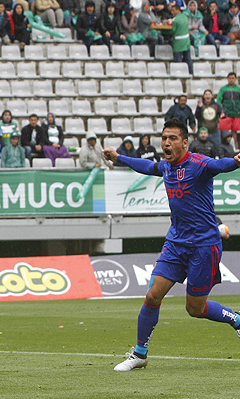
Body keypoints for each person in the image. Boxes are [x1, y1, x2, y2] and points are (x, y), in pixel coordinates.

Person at [104, 119, 240, 372]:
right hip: (176, 243)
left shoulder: (198, 164)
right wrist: (118, 157)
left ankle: (238, 320)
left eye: (173, 138)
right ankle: (140, 354)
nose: (167, 142)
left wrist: (235, 161)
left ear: (185, 142)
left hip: (203, 246)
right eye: (164, 137)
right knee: (153, 295)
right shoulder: (166, 167)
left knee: (195, 308)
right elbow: (146, 165)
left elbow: (219, 165)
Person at [169, 3, 193, 75]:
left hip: (178, 42)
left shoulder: (175, 20)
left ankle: (180, 73)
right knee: (187, 58)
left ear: (177, 10)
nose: (172, 12)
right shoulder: (185, 17)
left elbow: (172, 30)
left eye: (173, 11)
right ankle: (190, 72)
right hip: (186, 41)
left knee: (178, 59)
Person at [217, 72, 240, 147]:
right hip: (227, 113)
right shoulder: (223, 89)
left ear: (235, 79)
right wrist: (221, 111)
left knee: (235, 131)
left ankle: (234, 146)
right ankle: (224, 146)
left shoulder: (238, 89)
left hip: (237, 114)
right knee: (225, 131)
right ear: (227, 79)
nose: (231, 80)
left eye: (233, 78)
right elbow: (219, 100)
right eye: (230, 78)